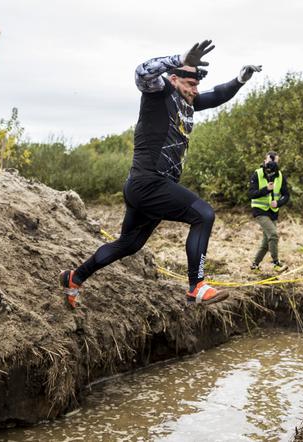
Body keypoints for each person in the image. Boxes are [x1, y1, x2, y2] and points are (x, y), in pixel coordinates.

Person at [59, 40, 262, 308]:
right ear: (174, 78)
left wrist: (239, 80)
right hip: (148, 182)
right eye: (190, 84)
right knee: (203, 214)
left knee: (128, 245)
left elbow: (217, 95)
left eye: (196, 85)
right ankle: (197, 286)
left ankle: (74, 278)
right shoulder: (161, 92)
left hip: (147, 187)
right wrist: (179, 57)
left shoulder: (188, 102)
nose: (195, 90)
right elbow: (141, 72)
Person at [248, 151, 290, 273]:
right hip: (260, 210)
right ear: (265, 160)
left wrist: (278, 203)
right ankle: (276, 263)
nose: (272, 163)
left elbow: (286, 195)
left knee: (266, 242)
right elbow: (251, 194)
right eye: (269, 160)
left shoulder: (280, 176)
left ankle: (254, 265)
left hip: (273, 212)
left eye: (275, 160)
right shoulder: (257, 174)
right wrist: (266, 189)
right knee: (273, 235)